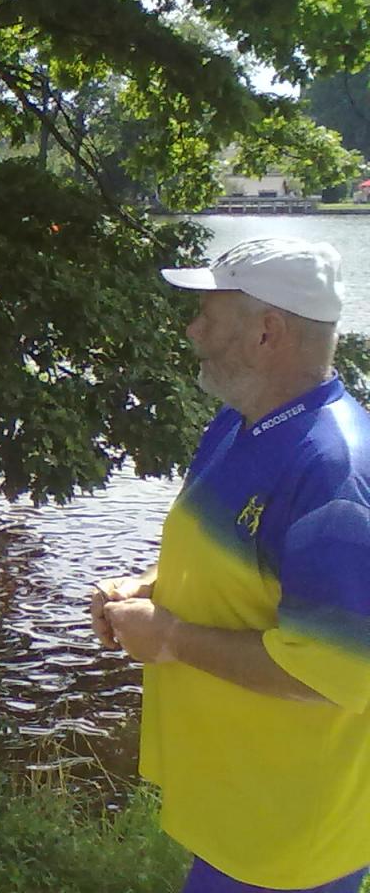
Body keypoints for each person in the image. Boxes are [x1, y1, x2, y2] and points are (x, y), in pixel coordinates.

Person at [90, 237, 370, 892]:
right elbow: (239, 562)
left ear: (267, 332)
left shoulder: (334, 473)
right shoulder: (238, 424)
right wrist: (149, 587)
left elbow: (340, 668)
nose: (193, 331)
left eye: (207, 316)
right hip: (236, 803)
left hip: (289, 835)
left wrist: (170, 637)